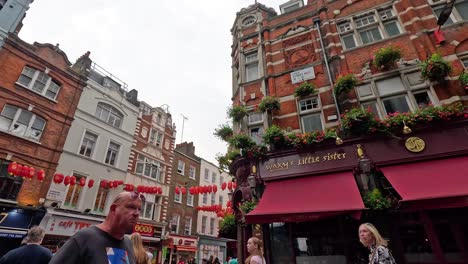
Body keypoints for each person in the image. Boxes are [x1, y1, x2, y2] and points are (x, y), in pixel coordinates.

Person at [50, 191, 144, 263]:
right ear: (114, 209)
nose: (136, 213)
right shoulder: (84, 238)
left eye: (139, 209)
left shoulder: (128, 243)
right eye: (131, 207)